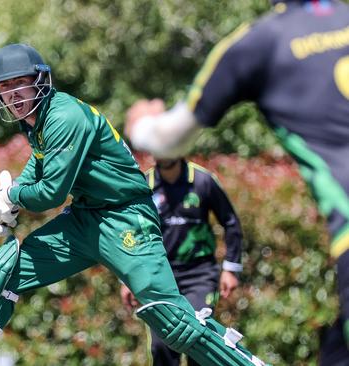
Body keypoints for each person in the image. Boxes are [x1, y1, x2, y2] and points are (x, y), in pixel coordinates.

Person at [0, 43, 266, 366]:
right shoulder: (36, 122)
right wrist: (0, 203)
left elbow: (52, 194)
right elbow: (37, 169)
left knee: (170, 319)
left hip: (125, 219)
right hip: (86, 218)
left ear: (40, 80)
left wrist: (13, 198)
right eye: (4, 88)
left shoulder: (64, 115)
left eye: (18, 83)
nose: (12, 94)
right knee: (3, 272)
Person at [124, 1, 349, 364]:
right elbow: (132, 230)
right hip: (163, 277)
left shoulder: (259, 42)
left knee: (197, 340)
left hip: (201, 274)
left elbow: (169, 139)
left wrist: (140, 125)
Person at [120, 157, 245, 366]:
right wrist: (127, 279)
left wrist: (231, 268)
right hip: (158, 278)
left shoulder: (202, 181)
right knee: (162, 347)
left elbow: (230, 222)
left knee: (198, 340)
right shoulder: (143, 185)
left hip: (200, 274)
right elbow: (130, 234)